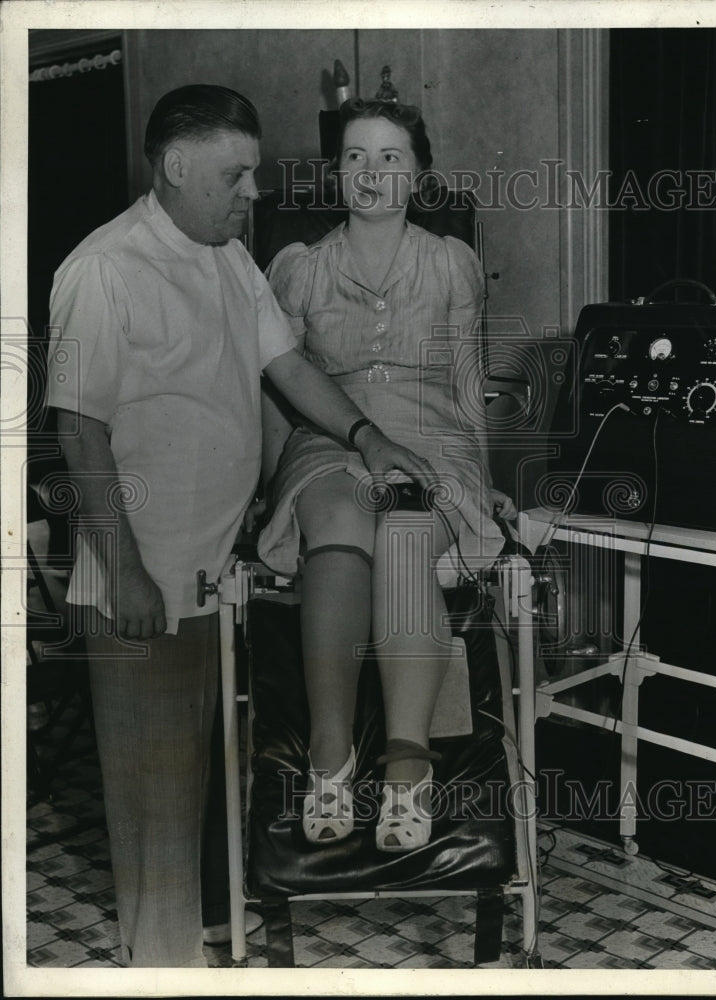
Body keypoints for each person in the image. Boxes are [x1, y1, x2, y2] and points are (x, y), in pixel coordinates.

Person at [45, 84, 434, 968]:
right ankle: (164, 965)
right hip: (142, 579)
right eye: (237, 174)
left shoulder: (223, 256)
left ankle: (218, 933)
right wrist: (130, 572)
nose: (253, 192)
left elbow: (286, 364)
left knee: (213, 784)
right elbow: (78, 430)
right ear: (176, 168)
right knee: (154, 809)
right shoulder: (104, 269)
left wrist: (367, 438)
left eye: (253, 173)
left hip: (214, 572)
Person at [257, 98, 511, 853]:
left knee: (403, 533)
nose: (371, 173)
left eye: (390, 157)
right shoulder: (296, 268)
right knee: (336, 523)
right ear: (335, 173)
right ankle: (329, 760)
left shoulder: (449, 263)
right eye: (356, 158)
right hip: (329, 434)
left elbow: (468, 381)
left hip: (430, 435)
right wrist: (271, 489)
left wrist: (485, 479)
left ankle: (407, 769)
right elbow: (279, 385)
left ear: (418, 173)